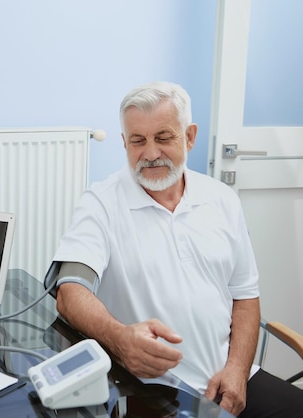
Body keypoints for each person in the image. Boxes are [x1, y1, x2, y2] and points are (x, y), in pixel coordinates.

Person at [47, 81, 303, 417]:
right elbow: (70, 291)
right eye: (138, 141)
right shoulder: (101, 204)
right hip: (151, 392)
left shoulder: (222, 199)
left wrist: (238, 372)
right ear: (124, 143)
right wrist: (121, 339)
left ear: (190, 136)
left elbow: (245, 297)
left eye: (164, 137)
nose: (150, 153)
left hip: (230, 379)